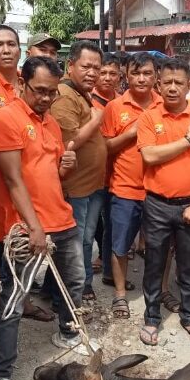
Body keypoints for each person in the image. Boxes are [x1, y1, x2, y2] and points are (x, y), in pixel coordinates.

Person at [0, 57, 90, 380]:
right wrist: (34, 227)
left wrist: (64, 166)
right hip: (26, 226)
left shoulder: (50, 123)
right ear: (22, 81)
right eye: (39, 91)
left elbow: (52, 175)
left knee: (74, 280)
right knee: (14, 301)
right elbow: (13, 181)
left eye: (52, 92)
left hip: (61, 218)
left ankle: (67, 329)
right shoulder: (6, 120)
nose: (46, 98)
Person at [136, 58, 190, 346]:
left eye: (179, 83)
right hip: (156, 204)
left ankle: (189, 316)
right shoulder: (149, 117)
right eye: (167, 82)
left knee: (188, 265)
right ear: (159, 84)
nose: (173, 88)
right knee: (154, 263)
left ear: (189, 86)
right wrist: (187, 140)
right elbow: (149, 156)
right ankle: (151, 317)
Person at [0, 24, 54, 323]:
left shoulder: (31, 84)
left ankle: (21, 302)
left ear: (20, 49)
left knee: (23, 247)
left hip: (29, 183)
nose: (6, 50)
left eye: (11, 44)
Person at [100, 52, 163, 319]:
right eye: (135, 73)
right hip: (124, 189)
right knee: (120, 245)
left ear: (156, 76)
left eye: (147, 73)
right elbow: (105, 148)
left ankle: (159, 292)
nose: (141, 78)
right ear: (126, 75)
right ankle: (120, 295)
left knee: (159, 247)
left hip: (158, 190)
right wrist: (131, 132)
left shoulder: (164, 104)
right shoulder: (115, 107)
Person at [50, 40, 107, 301]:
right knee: (79, 241)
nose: (92, 73)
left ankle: (72, 285)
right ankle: (78, 288)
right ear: (70, 65)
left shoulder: (82, 92)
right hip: (76, 187)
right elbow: (66, 144)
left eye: (97, 67)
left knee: (84, 239)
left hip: (91, 185)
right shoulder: (63, 95)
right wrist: (95, 121)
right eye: (86, 66)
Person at [90, 52, 122, 280]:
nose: (108, 77)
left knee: (112, 226)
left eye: (113, 73)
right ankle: (85, 284)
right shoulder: (86, 99)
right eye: (103, 72)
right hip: (92, 177)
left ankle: (110, 271)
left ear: (120, 76)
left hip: (117, 176)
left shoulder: (122, 102)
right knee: (87, 230)